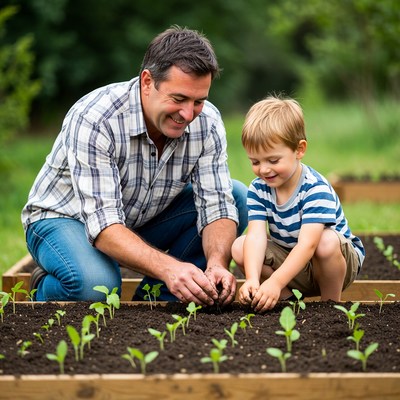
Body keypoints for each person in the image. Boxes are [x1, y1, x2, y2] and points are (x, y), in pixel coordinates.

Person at [22, 25, 248, 306]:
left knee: (237, 197)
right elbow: (104, 224)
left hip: (138, 218)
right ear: (147, 82)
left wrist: (216, 263)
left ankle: (157, 300)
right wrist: (169, 268)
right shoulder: (95, 118)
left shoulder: (208, 122)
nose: (188, 113)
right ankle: (45, 287)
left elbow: (217, 204)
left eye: (198, 101)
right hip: (67, 219)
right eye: (178, 99)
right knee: (96, 287)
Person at [231, 95, 365, 312]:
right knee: (240, 246)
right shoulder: (258, 188)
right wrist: (252, 279)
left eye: (273, 160)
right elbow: (256, 235)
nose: (264, 169)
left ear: (299, 150)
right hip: (293, 264)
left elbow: (308, 245)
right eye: (255, 162)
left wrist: (274, 280)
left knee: (326, 241)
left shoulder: (314, 189)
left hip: (333, 262)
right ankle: (285, 298)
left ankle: (329, 305)